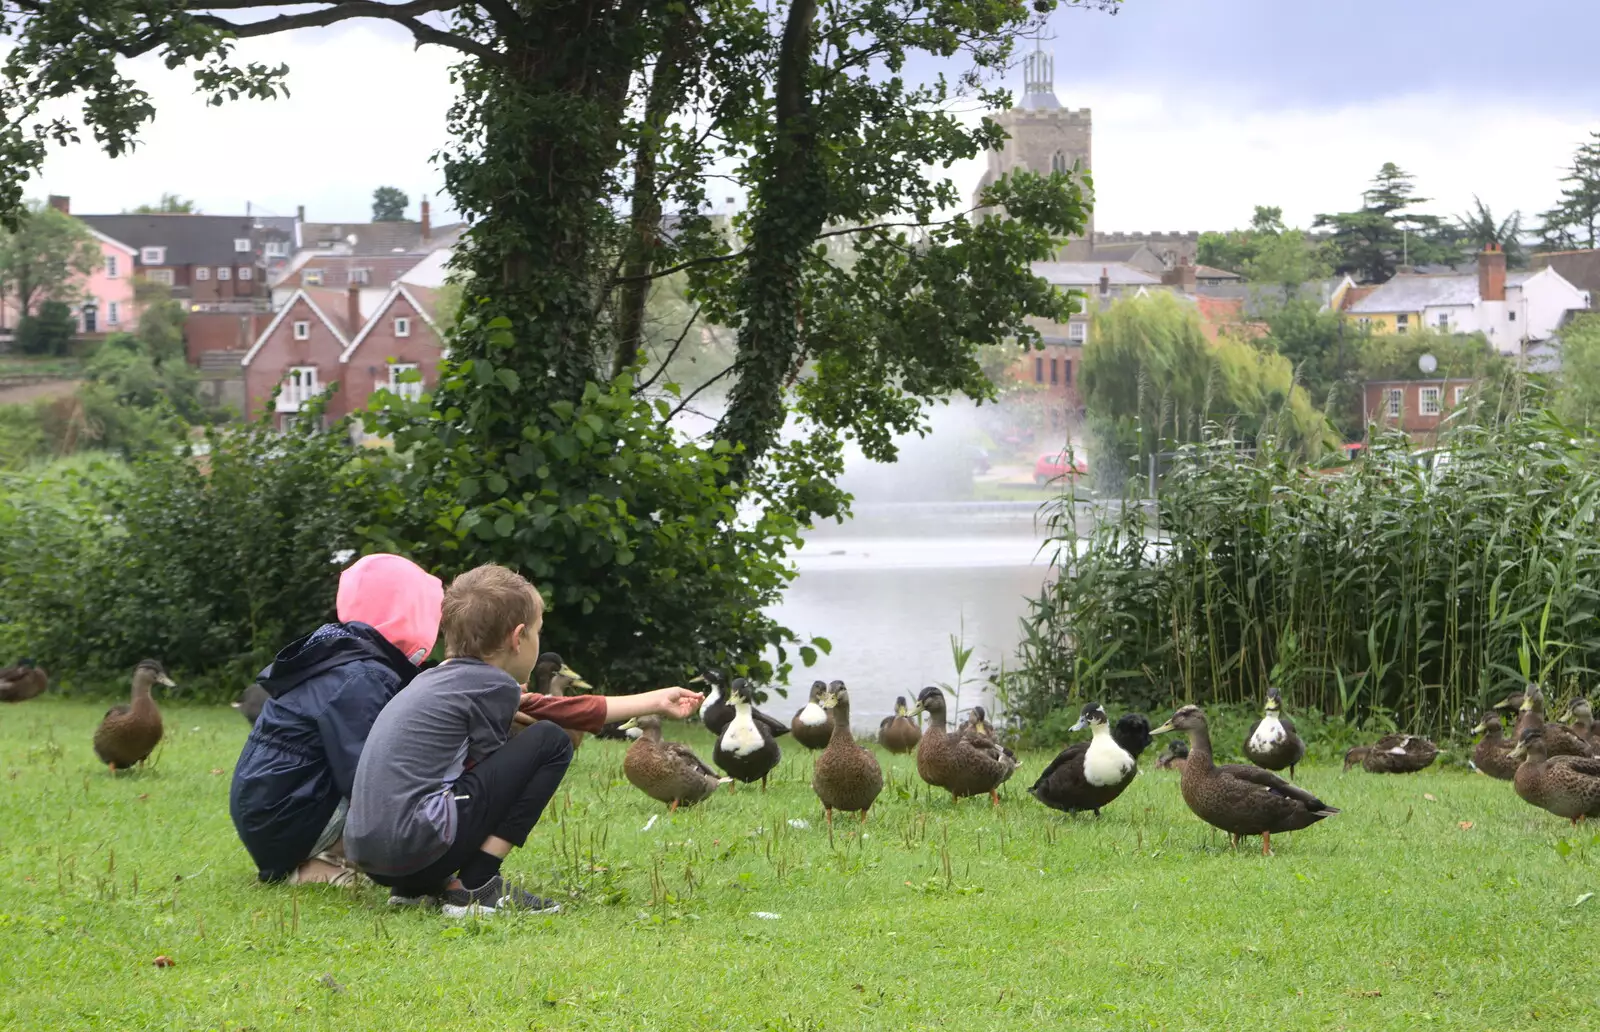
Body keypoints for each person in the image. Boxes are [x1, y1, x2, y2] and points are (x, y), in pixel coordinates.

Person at [344, 563, 701, 915]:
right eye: (538, 631)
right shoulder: (492, 685)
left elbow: (566, 708)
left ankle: (415, 888)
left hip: (371, 855)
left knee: (529, 739)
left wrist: (655, 700)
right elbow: (503, 763)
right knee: (551, 742)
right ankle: (477, 883)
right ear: (518, 638)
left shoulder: (432, 680)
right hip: (414, 844)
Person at [229, 553, 444, 885]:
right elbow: (367, 774)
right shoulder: (362, 675)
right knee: (400, 792)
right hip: (285, 819)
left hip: (270, 811)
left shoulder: (341, 654)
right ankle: (315, 867)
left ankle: (319, 856)